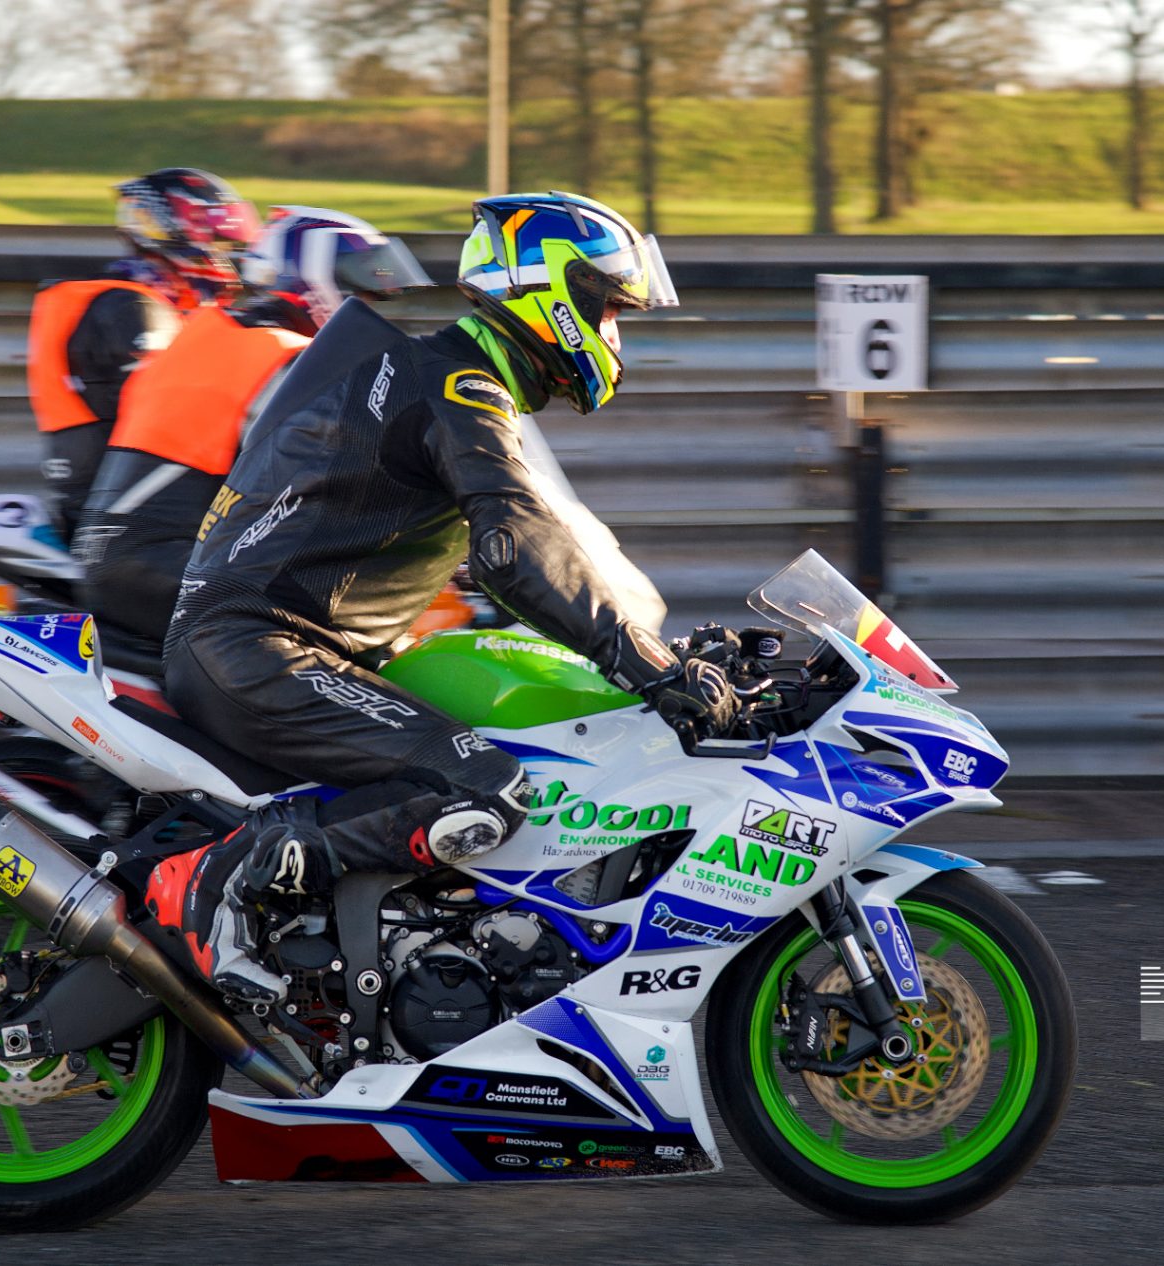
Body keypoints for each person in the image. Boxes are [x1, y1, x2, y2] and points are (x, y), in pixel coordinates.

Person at [145, 191, 735, 1004]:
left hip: (274, 643)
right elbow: (514, 546)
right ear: (551, 291)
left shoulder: (442, 377)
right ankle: (226, 880)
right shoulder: (460, 386)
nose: (611, 334)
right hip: (259, 649)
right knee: (484, 785)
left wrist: (649, 645)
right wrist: (647, 663)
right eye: (606, 310)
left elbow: (518, 540)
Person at [72, 207, 432, 645]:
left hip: (123, 557)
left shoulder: (212, 330)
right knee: (353, 637)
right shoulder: (287, 358)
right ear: (316, 278)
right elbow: (338, 477)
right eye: (360, 290)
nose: (370, 308)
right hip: (171, 564)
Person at [27, 168, 259, 541]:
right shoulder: (132, 307)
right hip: (131, 517)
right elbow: (169, 415)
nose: (224, 256)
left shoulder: (146, 303)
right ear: (168, 228)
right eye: (217, 242)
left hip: (132, 499)